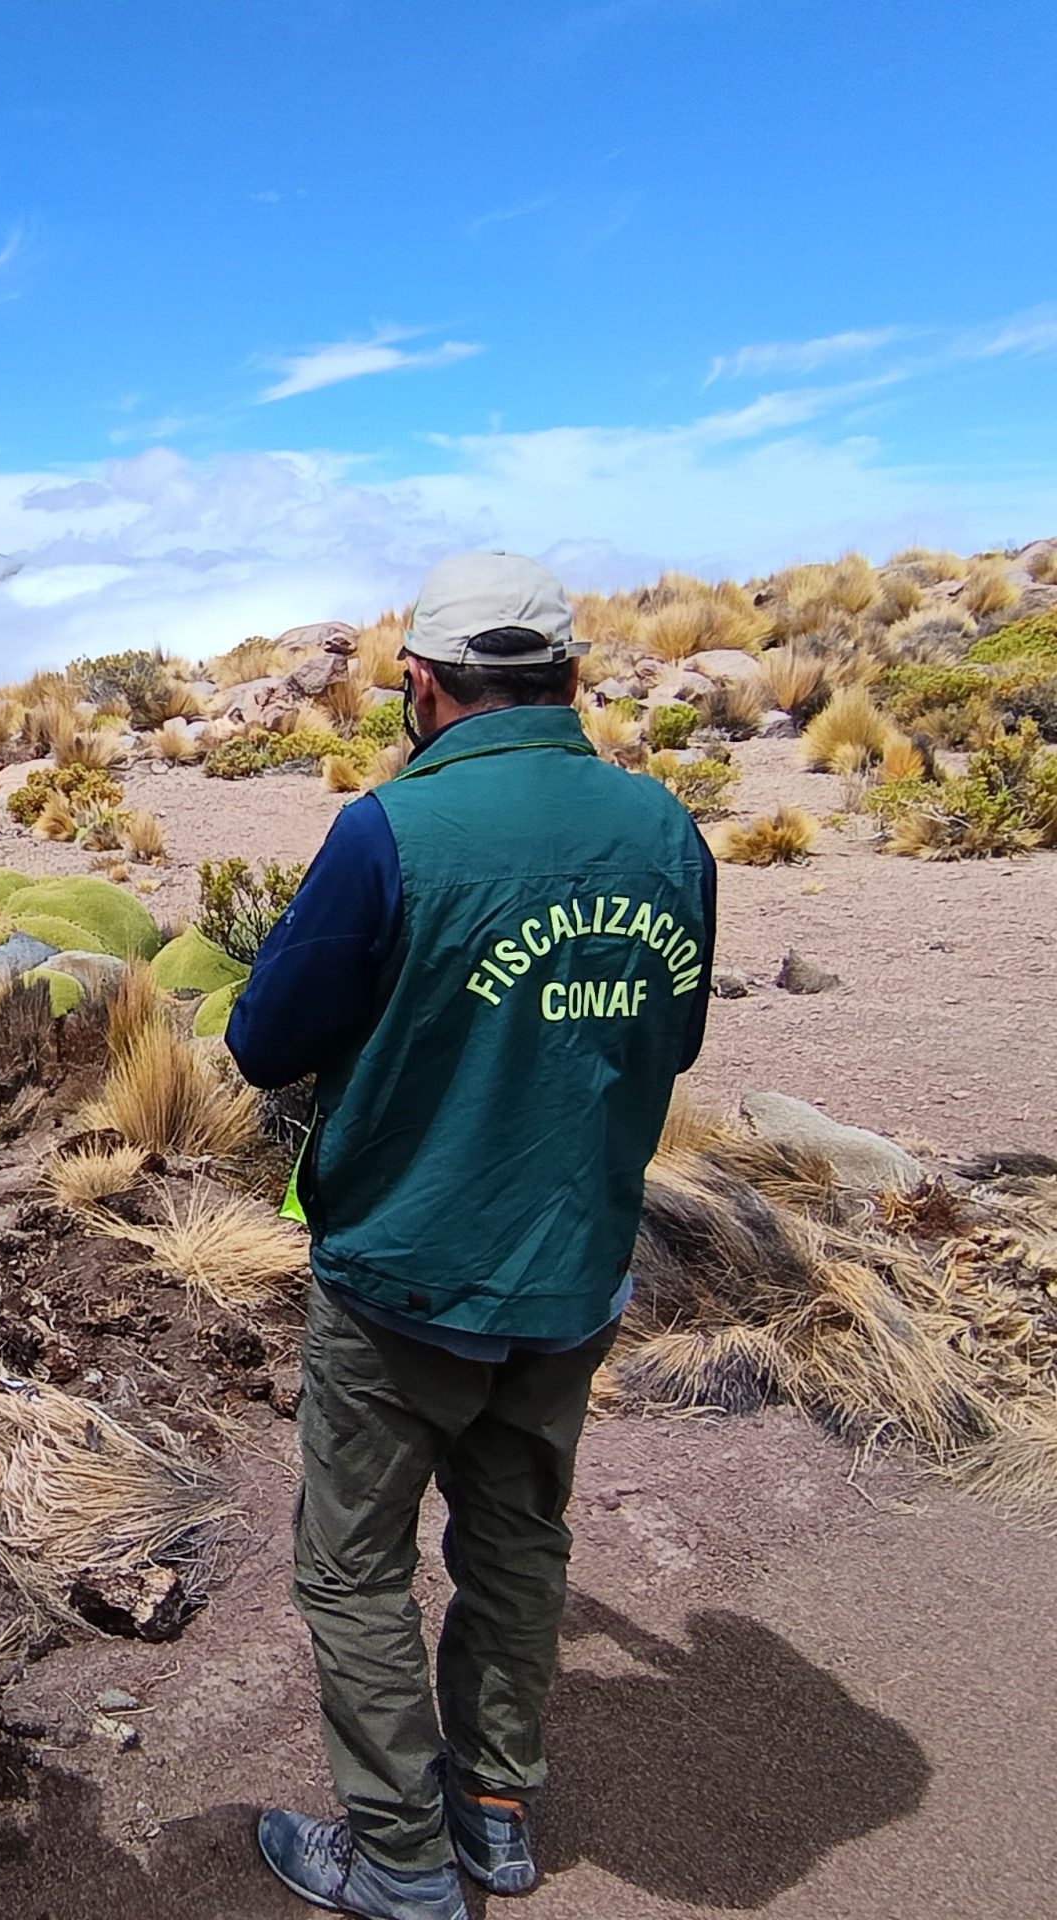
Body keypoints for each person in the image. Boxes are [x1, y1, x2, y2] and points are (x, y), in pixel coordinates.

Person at [226, 552, 716, 1920]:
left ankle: (396, 1860)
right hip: (573, 1271)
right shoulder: (667, 832)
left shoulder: (390, 833)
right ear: (568, 682)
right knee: (515, 1536)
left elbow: (263, 1043)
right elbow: (669, 1036)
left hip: (406, 1272)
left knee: (354, 1565)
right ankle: (493, 1807)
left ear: (427, 687)